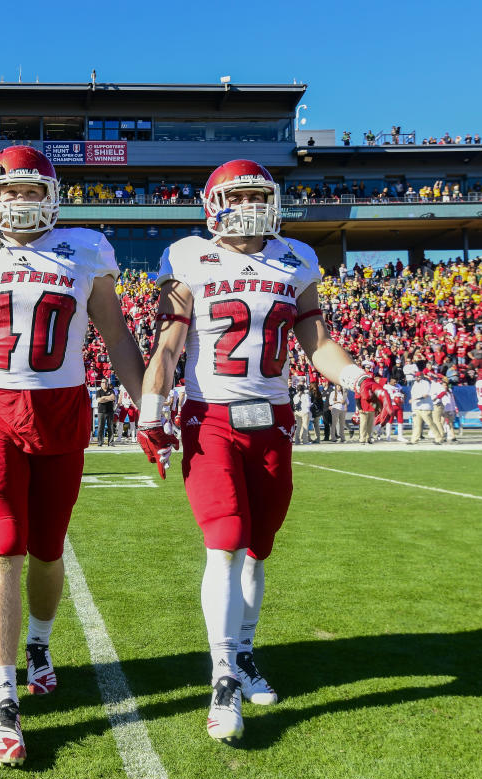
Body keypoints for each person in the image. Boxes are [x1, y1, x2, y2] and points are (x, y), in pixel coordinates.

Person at [137, 159, 391, 743]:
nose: (251, 205)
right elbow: (169, 345)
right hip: (213, 416)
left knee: (259, 546)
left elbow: (316, 341)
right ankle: (222, 674)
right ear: (212, 202)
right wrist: (152, 411)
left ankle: (245, 653)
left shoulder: (297, 257)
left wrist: (357, 378)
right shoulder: (187, 256)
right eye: (239, 195)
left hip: (273, 420)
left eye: (259, 194)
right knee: (224, 540)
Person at [0, 145, 144, 766]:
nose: (21, 201)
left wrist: (148, 405)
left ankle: (39, 643)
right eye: (9, 190)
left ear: (54, 194)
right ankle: (2, 700)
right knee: (4, 544)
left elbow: (115, 334)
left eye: (32, 189)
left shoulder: (87, 247)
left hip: (62, 410)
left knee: (47, 548)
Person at [94, 377, 117, 446]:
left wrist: (103, 398)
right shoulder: (98, 391)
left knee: (110, 427)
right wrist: (108, 398)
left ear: (107, 383)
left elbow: (113, 398)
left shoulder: (111, 390)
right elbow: (99, 400)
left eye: (106, 382)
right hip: (101, 411)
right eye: (103, 382)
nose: (104, 384)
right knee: (101, 427)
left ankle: (111, 442)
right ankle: (100, 442)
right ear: (101, 384)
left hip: (110, 411)